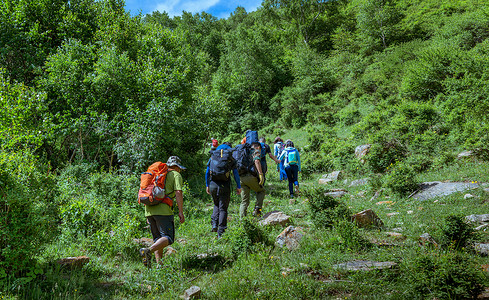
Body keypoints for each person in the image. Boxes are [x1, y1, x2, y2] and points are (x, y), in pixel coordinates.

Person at [139, 156, 186, 267]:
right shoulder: (175, 175)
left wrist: (148, 214)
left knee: (158, 240)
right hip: (164, 211)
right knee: (168, 238)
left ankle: (159, 266)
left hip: (149, 210)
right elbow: (178, 192)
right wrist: (181, 211)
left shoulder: (155, 174)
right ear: (177, 167)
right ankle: (147, 251)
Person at [205, 142, 241, 238]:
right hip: (224, 185)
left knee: (216, 204)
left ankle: (214, 224)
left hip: (213, 184)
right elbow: (235, 174)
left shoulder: (213, 156)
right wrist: (238, 186)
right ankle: (221, 232)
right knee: (223, 208)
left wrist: (207, 185)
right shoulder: (229, 158)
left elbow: (208, 171)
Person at [239, 142, 266, 217]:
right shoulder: (255, 151)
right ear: (258, 147)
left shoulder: (242, 152)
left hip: (241, 178)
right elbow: (257, 161)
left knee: (244, 201)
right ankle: (257, 211)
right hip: (250, 176)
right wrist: (261, 174)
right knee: (261, 191)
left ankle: (242, 220)